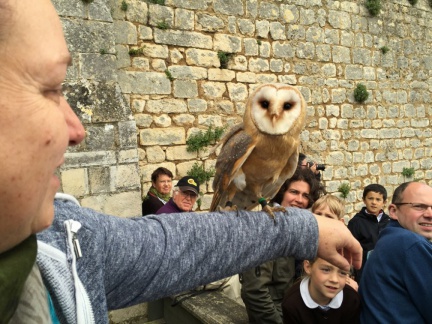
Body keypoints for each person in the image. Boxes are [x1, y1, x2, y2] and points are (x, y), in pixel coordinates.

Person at [0, 0, 362, 322]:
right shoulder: (63, 244)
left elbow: (172, 247)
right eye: (51, 90)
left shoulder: (67, 240)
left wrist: (307, 228)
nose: (76, 130)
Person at [240, 168, 325, 324]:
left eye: (305, 195)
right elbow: (255, 292)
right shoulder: (266, 229)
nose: (300, 200)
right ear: (281, 192)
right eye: (294, 192)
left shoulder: (299, 229)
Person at [360, 182, 432, 323]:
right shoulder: (410, 243)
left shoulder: (390, 238)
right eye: (419, 206)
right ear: (393, 211)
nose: (430, 214)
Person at [282, 258, 360, 324]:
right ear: (308, 267)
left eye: (342, 273)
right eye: (326, 270)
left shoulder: (351, 299)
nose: (334, 280)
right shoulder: (291, 303)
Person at [348, 184, 390, 282]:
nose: (374, 202)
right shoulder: (356, 222)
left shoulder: (389, 222)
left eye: (378, 199)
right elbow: (350, 249)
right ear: (364, 200)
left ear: (384, 202)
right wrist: (352, 273)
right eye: (370, 198)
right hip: (364, 272)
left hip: (386, 271)